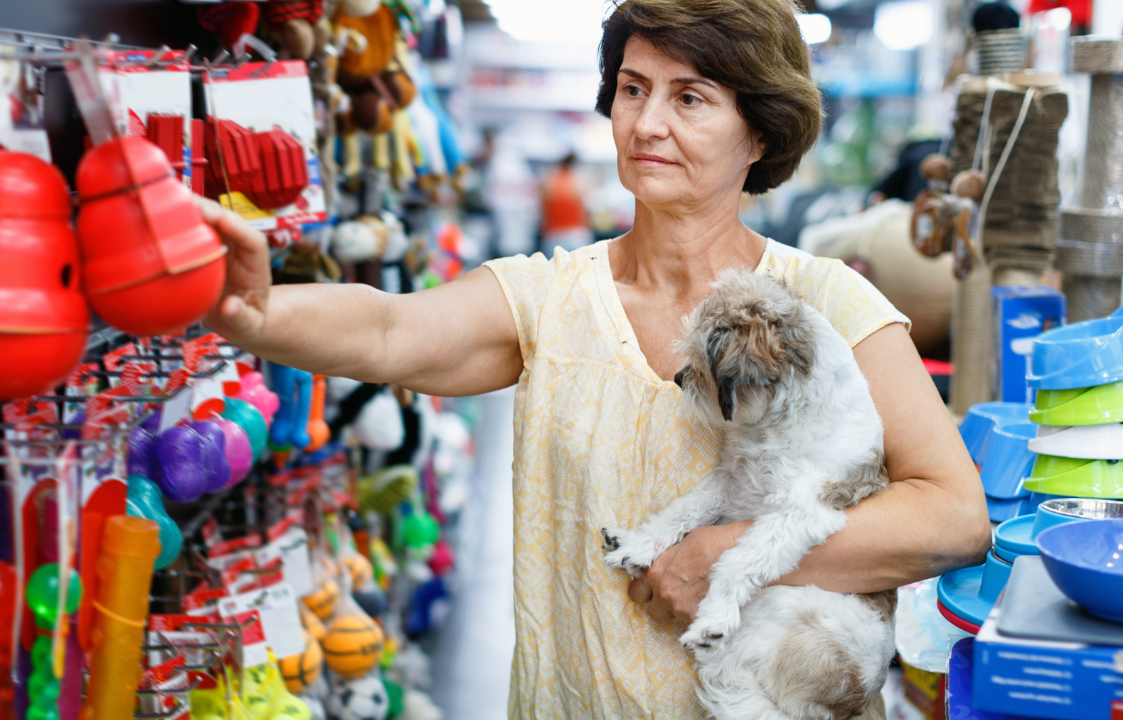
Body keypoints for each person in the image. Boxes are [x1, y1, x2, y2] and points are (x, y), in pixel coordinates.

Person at [199, 0, 991, 716]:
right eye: (634, 88)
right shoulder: (552, 299)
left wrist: (724, 557)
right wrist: (255, 309)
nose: (647, 124)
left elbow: (953, 519)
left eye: (691, 98)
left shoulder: (823, 306)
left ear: (759, 131)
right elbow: (386, 331)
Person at [539, 152, 594, 256]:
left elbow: (544, 210)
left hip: (554, 234)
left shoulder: (549, 181)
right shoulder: (578, 180)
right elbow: (585, 210)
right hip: (576, 234)